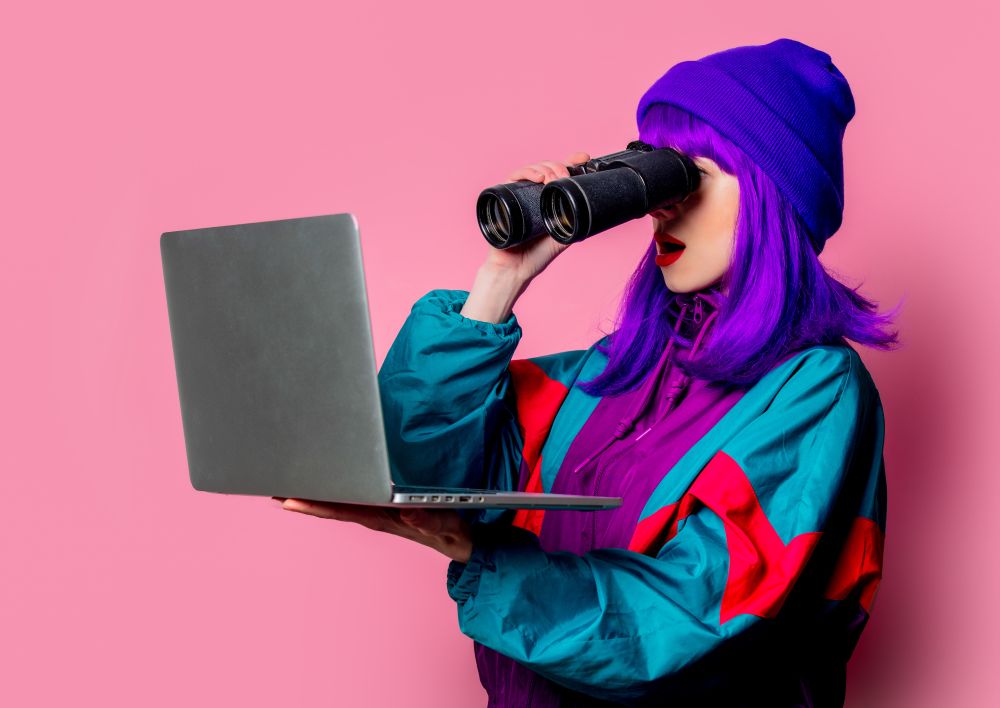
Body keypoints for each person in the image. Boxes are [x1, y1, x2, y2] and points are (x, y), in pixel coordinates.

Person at [276, 38, 900, 706]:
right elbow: (425, 467)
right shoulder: (611, 377)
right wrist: (498, 284)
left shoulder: (815, 391)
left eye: (691, 175)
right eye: (654, 171)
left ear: (774, 200)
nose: (661, 204)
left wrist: (483, 558)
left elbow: (696, 616)